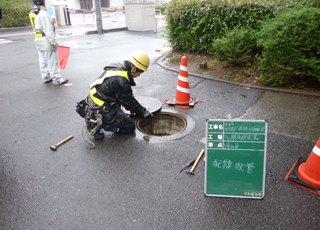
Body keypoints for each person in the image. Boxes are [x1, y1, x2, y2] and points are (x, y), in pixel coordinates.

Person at [80, 50, 153, 139]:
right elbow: (129, 102)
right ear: (134, 68)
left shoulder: (120, 67)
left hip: (94, 100)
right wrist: (143, 111)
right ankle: (98, 125)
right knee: (130, 126)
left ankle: (98, 118)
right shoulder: (121, 79)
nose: (139, 75)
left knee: (120, 106)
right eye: (140, 72)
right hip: (100, 107)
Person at [29, 0, 68, 85]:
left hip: (38, 39)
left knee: (43, 60)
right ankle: (57, 79)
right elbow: (48, 31)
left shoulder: (32, 13)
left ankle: (46, 76)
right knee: (52, 60)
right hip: (46, 40)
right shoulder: (43, 14)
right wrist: (55, 43)